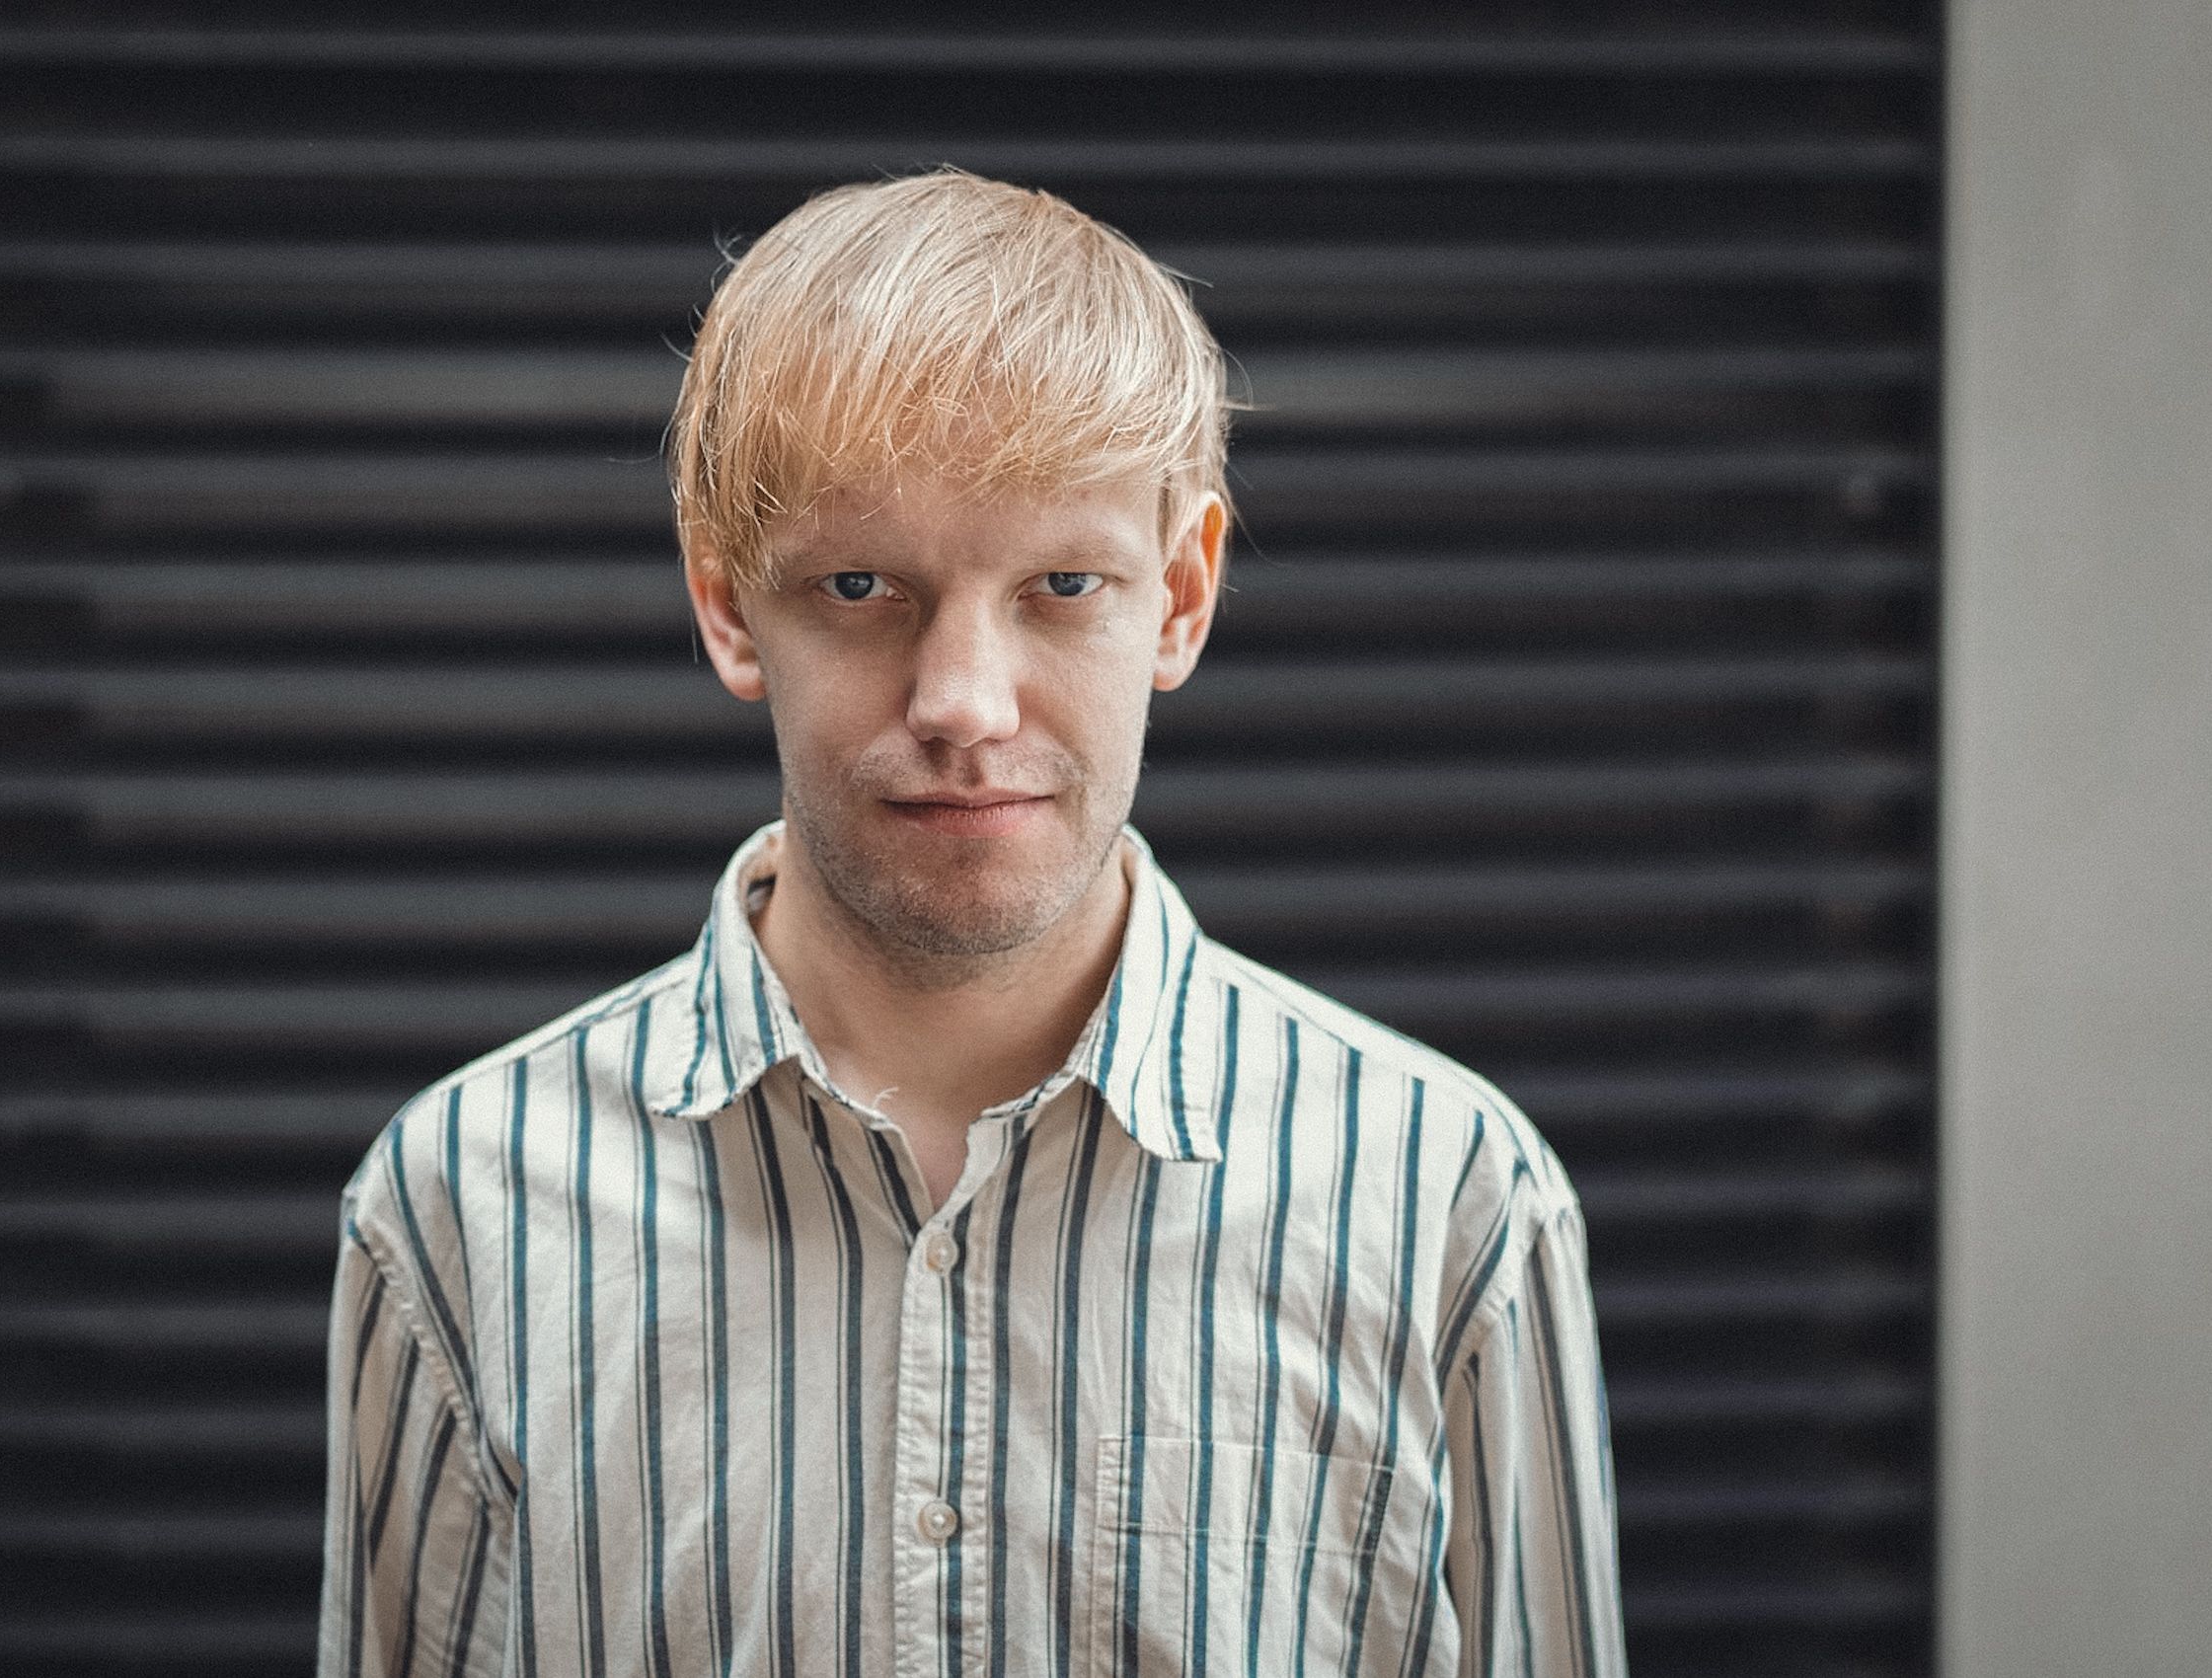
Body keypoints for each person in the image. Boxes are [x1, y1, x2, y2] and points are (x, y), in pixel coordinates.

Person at [317, 167, 1625, 1678]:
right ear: (729, 605)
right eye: (859, 584)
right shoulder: (459, 1209)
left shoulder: (1453, 1201)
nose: (963, 704)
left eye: (1064, 583)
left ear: (1182, 595)